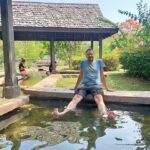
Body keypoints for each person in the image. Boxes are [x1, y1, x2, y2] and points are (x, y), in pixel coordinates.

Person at [52, 48, 115, 119]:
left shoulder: (99, 62)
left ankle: (105, 115)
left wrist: (106, 88)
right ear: (86, 55)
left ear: (93, 54)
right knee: (76, 98)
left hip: (95, 85)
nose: (90, 55)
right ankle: (61, 113)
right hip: (84, 85)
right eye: (88, 54)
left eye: (91, 54)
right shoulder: (83, 62)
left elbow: (102, 75)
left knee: (99, 98)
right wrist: (75, 87)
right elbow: (80, 75)